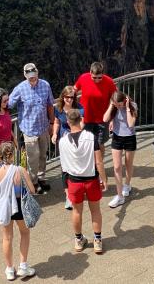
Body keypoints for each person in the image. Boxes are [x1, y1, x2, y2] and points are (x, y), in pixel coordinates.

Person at [59, 108, 108, 254]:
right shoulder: (91, 137)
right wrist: (104, 179)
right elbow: (98, 162)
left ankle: (79, 240)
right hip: (91, 180)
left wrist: (64, 186)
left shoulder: (62, 142)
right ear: (81, 119)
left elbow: (63, 167)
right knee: (95, 210)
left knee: (76, 211)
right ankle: (97, 241)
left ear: (68, 122)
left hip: (73, 182)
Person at [0, 142, 36, 281]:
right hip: (19, 205)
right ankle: (23, 266)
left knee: (7, 238)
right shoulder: (20, 170)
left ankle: (9, 269)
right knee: (25, 233)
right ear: (12, 155)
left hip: (4, 207)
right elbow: (32, 190)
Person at [8, 63, 55, 194]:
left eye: (34, 76)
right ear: (25, 76)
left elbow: (50, 105)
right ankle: (33, 182)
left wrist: (52, 123)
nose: (32, 79)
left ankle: (41, 177)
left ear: (37, 73)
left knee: (43, 154)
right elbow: (8, 104)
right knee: (32, 158)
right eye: (30, 77)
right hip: (29, 129)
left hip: (43, 127)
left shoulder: (45, 85)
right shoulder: (20, 89)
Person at [51, 86, 84, 210]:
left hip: (76, 139)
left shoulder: (79, 108)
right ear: (63, 97)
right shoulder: (58, 109)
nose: (69, 100)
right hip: (63, 141)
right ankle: (68, 196)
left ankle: (77, 190)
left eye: (72, 97)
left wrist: (76, 132)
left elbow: (82, 124)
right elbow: (57, 122)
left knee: (76, 166)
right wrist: (54, 133)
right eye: (67, 97)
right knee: (65, 168)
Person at [74, 62, 117, 157]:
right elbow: (73, 90)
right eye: (94, 78)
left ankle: (99, 167)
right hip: (85, 118)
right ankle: (89, 167)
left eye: (99, 78)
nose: (97, 80)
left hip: (102, 119)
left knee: (100, 144)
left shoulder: (109, 82)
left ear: (103, 74)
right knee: (86, 143)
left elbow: (115, 100)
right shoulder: (83, 78)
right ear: (90, 73)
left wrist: (113, 119)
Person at [103, 90, 138, 208]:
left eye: (120, 105)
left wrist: (127, 108)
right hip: (117, 137)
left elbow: (131, 124)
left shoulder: (132, 106)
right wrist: (111, 106)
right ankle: (119, 196)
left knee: (128, 164)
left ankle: (127, 184)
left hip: (130, 138)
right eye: (116, 105)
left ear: (124, 101)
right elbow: (104, 119)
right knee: (117, 167)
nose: (118, 107)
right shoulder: (114, 107)